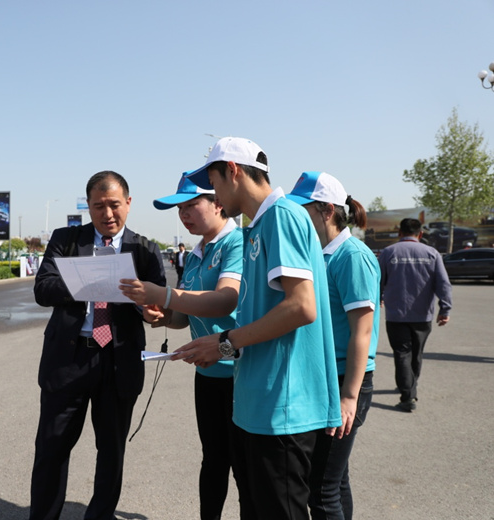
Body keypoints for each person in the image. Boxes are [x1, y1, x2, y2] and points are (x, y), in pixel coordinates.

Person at [173, 137, 341, 520]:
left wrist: (224, 343)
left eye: (213, 183)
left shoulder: (282, 216)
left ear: (232, 170)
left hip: (283, 406)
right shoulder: (259, 226)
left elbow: (301, 306)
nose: (215, 196)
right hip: (259, 403)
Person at [30, 171, 166, 520]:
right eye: (98, 206)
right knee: (51, 449)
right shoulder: (66, 240)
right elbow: (43, 289)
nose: (107, 214)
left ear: (129, 203)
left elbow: (156, 305)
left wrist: (151, 312)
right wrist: (91, 278)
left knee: (111, 452)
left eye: (114, 205)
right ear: (88, 206)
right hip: (70, 358)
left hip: (119, 360)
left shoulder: (145, 250)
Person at [120, 173, 242, 520]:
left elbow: (226, 300)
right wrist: (161, 316)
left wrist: (165, 294)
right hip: (208, 373)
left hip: (240, 372)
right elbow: (183, 317)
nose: (184, 214)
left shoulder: (237, 244)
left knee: (246, 465)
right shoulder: (197, 252)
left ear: (218, 203)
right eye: (179, 209)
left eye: (191, 205)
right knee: (213, 460)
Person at [287, 171, 381, 520]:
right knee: (335, 481)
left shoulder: (352, 256)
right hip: (327, 377)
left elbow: (362, 332)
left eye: (303, 211)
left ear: (327, 210)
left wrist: (349, 397)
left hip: (345, 380)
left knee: (322, 488)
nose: (297, 219)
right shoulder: (319, 254)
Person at [378, 218, 452, 412]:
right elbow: (443, 284)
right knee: (416, 354)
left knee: (402, 353)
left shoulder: (388, 253)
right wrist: (445, 309)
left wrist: (378, 298)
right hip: (422, 316)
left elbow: (377, 280)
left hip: (396, 316)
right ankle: (409, 386)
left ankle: (408, 395)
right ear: (420, 234)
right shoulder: (432, 253)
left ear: (399, 233)